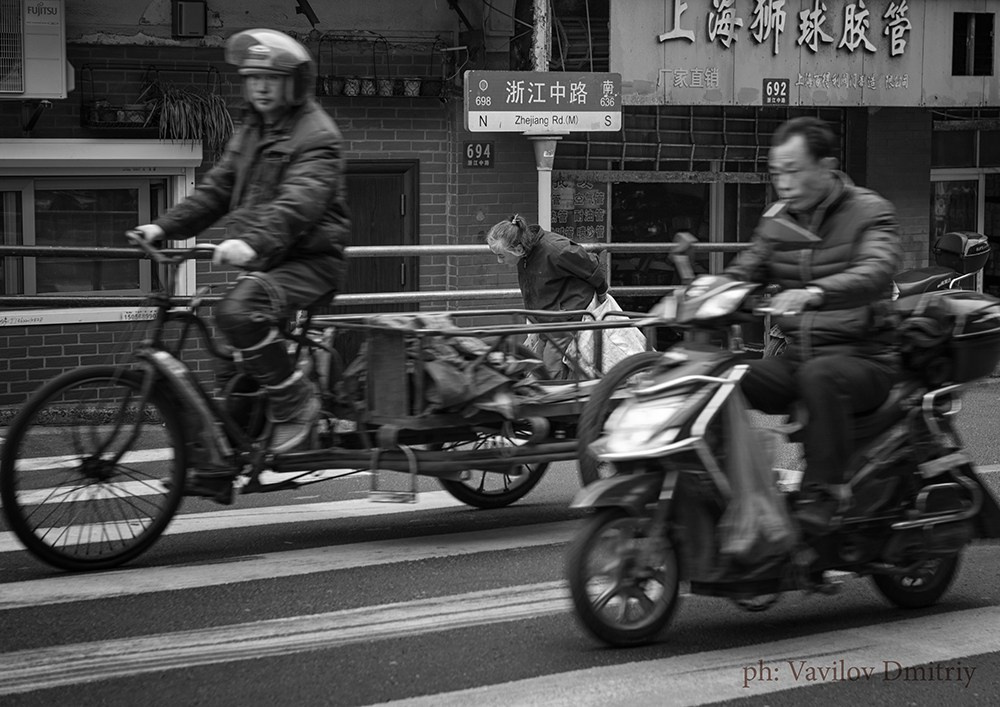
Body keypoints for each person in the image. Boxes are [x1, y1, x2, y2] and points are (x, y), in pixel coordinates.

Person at [132, 28, 351, 497]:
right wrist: (163, 227)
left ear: (294, 83)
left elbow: (299, 203)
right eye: (253, 78)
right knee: (229, 344)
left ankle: (297, 403)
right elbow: (215, 189)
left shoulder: (318, 135)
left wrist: (250, 243)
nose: (261, 87)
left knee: (237, 313)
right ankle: (224, 459)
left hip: (311, 261)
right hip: (271, 257)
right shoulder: (251, 129)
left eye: (272, 78)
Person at [724, 116, 902, 535]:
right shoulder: (778, 220)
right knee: (723, 375)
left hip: (864, 359)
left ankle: (826, 494)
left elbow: (876, 271)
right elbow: (746, 269)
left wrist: (815, 293)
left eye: (794, 170)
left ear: (826, 166)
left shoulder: (870, 211)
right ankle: (734, 488)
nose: (783, 182)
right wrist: (700, 296)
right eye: (776, 172)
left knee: (820, 377)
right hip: (800, 357)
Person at [486, 214, 609, 378]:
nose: (500, 261)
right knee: (537, 367)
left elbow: (593, 266)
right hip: (548, 317)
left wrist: (602, 294)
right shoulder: (525, 253)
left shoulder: (555, 249)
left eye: (501, 255)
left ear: (518, 249)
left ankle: (560, 398)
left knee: (551, 369)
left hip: (564, 317)